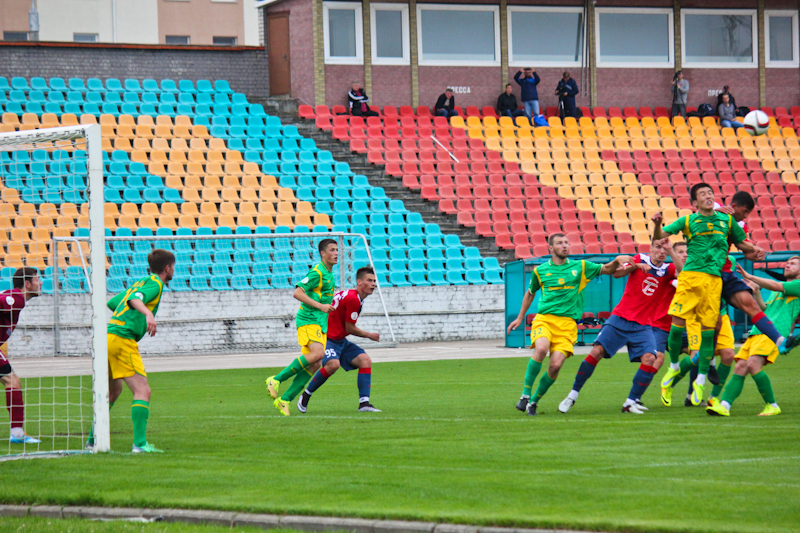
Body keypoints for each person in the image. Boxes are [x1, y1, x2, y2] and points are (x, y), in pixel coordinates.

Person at [652, 183, 762, 406]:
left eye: (711, 192)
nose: (708, 196)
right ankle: (675, 372)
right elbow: (660, 236)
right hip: (692, 284)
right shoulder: (689, 221)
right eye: (703, 194)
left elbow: (743, 244)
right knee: (689, 342)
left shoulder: (727, 228)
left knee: (726, 353)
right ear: (694, 203)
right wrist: (657, 226)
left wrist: (755, 250)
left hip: (715, 290)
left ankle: (708, 394)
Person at [506, 233, 633, 415]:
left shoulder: (580, 267)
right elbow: (530, 292)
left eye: (566, 242)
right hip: (545, 319)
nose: (565, 245)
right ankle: (525, 395)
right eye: (560, 243)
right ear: (551, 248)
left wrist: (616, 260)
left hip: (567, 325)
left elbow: (606, 269)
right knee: (541, 349)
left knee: (555, 366)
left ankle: (534, 401)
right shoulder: (540, 271)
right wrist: (520, 318)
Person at [557, 238, 683, 415]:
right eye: (658, 247)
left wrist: (671, 250)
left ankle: (630, 402)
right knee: (596, 352)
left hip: (643, 325)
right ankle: (572, 395)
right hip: (620, 318)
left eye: (665, 249)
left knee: (650, 358)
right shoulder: (639, 258)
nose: (661, 252)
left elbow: (683, 273)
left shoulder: (667, 269)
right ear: (651, 248)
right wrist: (635, 266)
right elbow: (617, 274)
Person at [101, 249, 174, 453]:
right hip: (122, 339)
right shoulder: (155, 284)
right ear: (167, 268)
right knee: (143, 390)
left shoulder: (140, 281)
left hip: (109, 337)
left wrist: (129, 316)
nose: (173, 271)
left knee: (113, 391)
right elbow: (133, 299)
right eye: (173, 268)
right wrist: (148, 314)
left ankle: (92, 440)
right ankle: (140, 445)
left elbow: (113, 303)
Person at [707, 257, 800, 417]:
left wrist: (750, 276)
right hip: (757, 331)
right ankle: (724, 406)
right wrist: (756, 293)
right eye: (787, 263)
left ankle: (772, 405)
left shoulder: (797, 285)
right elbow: (764, 309)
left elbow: (775, 285)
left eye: (793, 264)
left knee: (752, 365)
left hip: (775, 333)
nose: (787, 265)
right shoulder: (778, 290)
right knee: (740, 367)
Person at [267, 239, 337, 416]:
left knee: (315, 363)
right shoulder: (317, 272)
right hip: (308, 319)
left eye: (337, 250)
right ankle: (275, 379)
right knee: (318, 354)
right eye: (332, 250)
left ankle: (284, 400)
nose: (336, 253)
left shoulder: (330, 273)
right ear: (322, 253)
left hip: (320, 322)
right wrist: (320, 306)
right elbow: (297, 293)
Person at [297, 266, 382, 413]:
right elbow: (350, 328)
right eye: (369, 280)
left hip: (339, 339)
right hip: (326, 337)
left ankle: (364, 403)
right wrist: (369, 335)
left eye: (374, 281)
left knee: (365, 361)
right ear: (359, 282)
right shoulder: (353, 299)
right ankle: (305, 395)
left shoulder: (353, 296)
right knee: (333, 364)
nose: (373, 284)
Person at [0, 267, 42, 445]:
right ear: (27, 284)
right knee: (12, 381)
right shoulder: (16, 299)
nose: (41, 283)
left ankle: (17, 433)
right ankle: (17, 434)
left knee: (12, 381)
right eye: (37, 279)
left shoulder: (14, 298)